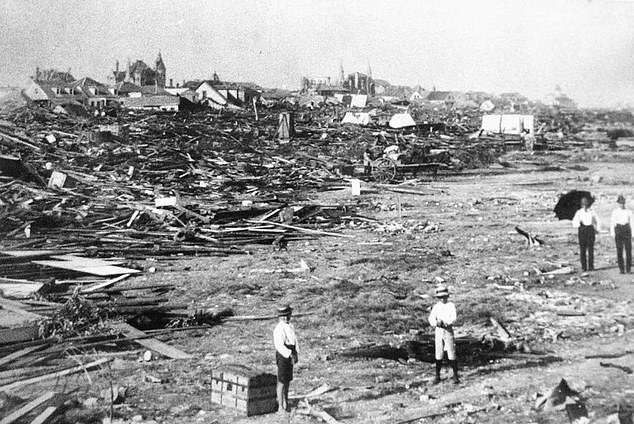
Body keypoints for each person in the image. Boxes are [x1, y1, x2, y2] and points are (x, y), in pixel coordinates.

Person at [428, 284, 459, 385]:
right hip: (439, 330)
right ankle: (437, 376)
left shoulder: (451, 305)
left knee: (451, 352)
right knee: (439, 352)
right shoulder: (436, 307)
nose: (442, 299)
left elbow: (454, 318)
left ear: (447, 296)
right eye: (440, 297)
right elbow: (431, 318)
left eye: (444, 297)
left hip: (448, 329)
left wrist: (447, 323)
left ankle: (455, 375)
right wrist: (436, 323)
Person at [273, 304, 298, 413]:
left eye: (287, 316)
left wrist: (296, 353)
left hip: (290, 352)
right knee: (282, 381)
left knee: (287, 380)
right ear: (279, 317)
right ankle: (280, 406)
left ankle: (286, 402)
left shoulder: (290, 326)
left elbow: (294, 341)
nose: (285, 318)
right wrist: (289, 354)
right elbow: (279, 345)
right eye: (283, 316)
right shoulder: (278, 329)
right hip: (283, 354)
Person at [572, 196, 600, 272]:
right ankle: (584, 267)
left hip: (590, 230)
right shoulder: (579, 212)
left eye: (586, 204)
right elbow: (574, 222)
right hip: (582, 230)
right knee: (582, 249)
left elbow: (597, 220)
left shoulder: (592, 211)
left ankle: (591, 266)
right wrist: (579, 224)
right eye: (583, 204)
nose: (585, 205)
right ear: (581, 205)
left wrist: (597, 229)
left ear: (588, 204)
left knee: (590, 249)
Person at [610, 195, 632, 274]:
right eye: (620, 203)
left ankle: (628, 268)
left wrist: (633, 234)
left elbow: (632, 223)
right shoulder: (615, 212)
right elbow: (612, 222)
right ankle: (621, 269)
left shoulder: (629, 212)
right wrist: (613, 233)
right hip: (618, 230)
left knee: (628, 250)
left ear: (625, 203)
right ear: (618, 203)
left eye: (623, 203)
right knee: (619, 250)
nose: (622, 204)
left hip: (626, 230)